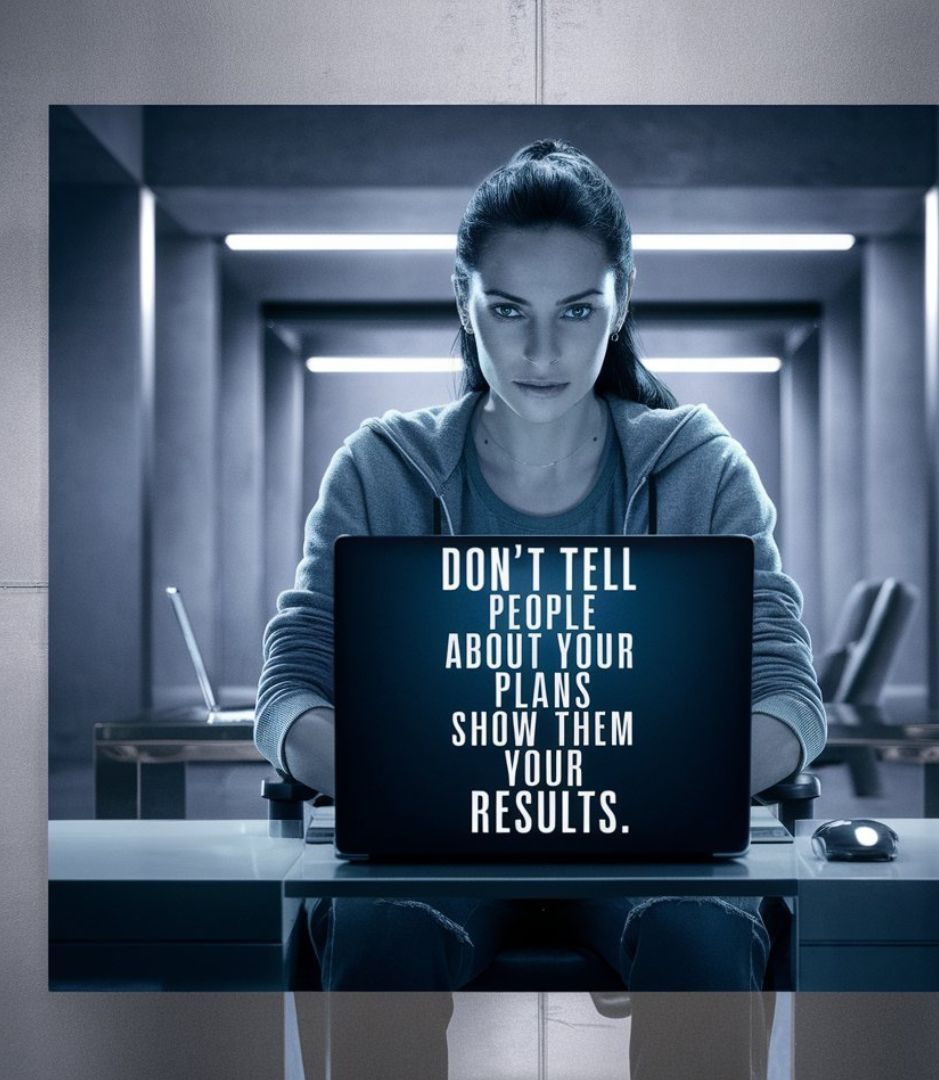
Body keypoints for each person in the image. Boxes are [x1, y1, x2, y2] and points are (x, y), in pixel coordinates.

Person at [255, 138, 826, 1079]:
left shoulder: (701, 466)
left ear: (623, 303)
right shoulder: (381, 466)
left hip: (654, 858)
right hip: (432, 857)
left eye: (578, 311)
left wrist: (658, 789)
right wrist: (413, 784)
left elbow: (789, 693)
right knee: (381, 943)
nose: (543, 351)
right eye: (510, 310)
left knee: (702, 943)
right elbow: (291, 684)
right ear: (463, 304)